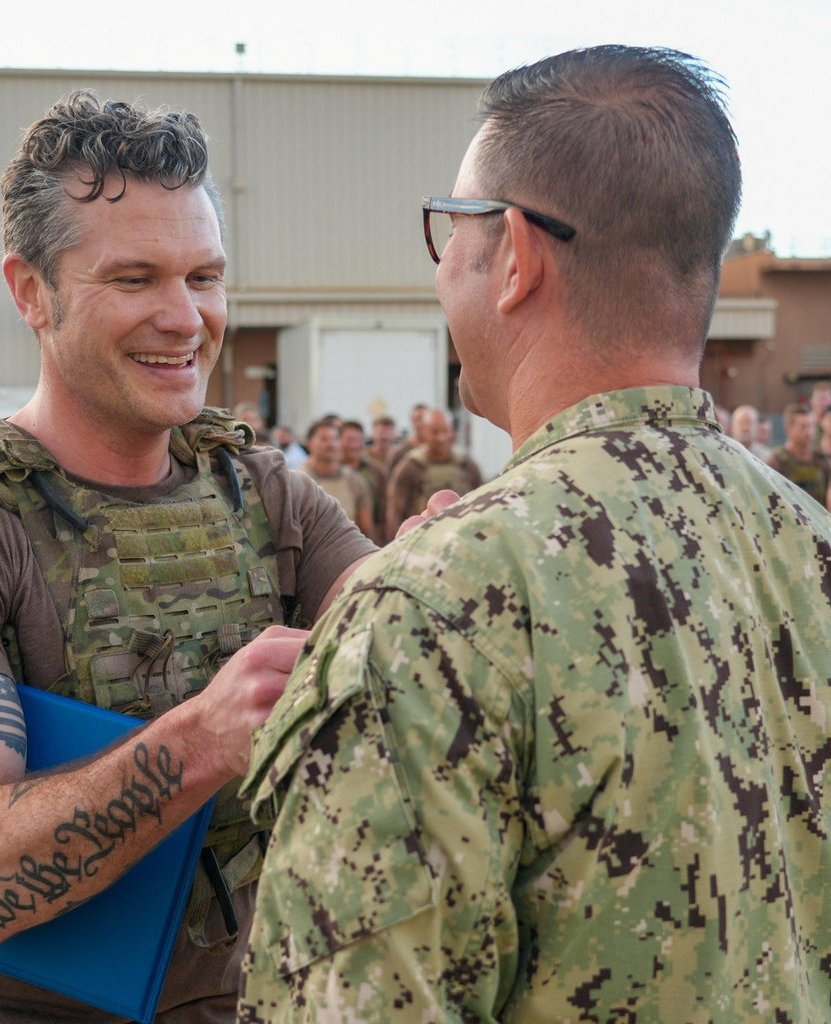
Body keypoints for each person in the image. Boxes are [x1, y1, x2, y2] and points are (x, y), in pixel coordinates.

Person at [239, 46, 831, 1022]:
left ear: (514, 255)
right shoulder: (809, 548)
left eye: (453, 230)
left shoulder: (428, 608)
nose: (443, 273)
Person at [0, 90, 376, 1023]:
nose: (185, 316)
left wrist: (455, 564)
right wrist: (201, 740)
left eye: (204, 277)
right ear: (30, 290)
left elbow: (393, 630)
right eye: (135, 280)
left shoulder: (261, 487)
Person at [385, 406, 481, 536]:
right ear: (424, 432)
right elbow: (394, 513)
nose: (440, 438)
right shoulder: (411, 466)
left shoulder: (466, 465)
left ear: (452, 433)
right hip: (420, 540)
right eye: (435, 432)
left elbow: (481, 504)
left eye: (444, 431)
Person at [297, 419, 376, 542]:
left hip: (350, 550)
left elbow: (366, 528)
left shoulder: (354, 480)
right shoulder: (297, 481)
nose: (331, 444)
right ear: (309, 443)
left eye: (334, 439)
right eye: (324, 439)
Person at [766, 402, 830, 508]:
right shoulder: (777, 461)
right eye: (803, 427)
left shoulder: (821, 459)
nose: (808, 432)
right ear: (788, 429)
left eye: (811, 426)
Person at [339, 419, 388, 544]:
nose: (354, 445)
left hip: (371, 539)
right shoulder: (332, 472)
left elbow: (386, 508)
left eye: (358, 440)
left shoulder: (377, 472)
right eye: (349, 440)